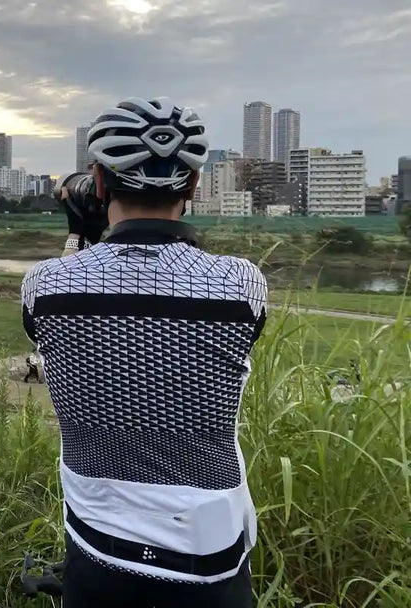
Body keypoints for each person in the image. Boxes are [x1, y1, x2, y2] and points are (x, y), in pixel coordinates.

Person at [21, 97, 266, 608]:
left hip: (97, 548)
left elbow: (76, 315)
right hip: (211, 555)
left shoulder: (45, 285)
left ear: (102, 182)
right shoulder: (242, 284)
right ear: (193, 187)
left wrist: (88, 233)